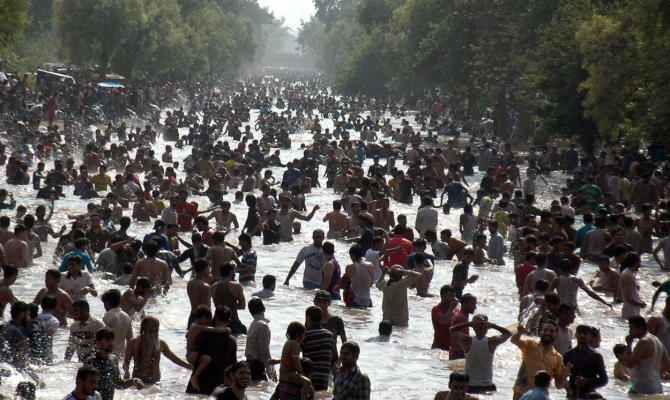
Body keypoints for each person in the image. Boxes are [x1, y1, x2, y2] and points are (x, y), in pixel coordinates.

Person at [449, 314, 512, 393]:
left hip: (470, 385)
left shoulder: (467, 341)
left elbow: (452, 330)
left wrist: (470, 324)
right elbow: (508, 333)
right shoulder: (492, 341)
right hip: (486, 384)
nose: (480, 327)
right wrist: (492, 325)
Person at [123, 316, 192, 385]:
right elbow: (126, 362)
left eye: (158, 326)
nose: (157, 328)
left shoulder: (161, 343)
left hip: (155, 380)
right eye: (154, 325)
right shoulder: (133, 343)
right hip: (139, 381)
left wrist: (190, 367)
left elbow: (174, 359)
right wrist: (126, 372)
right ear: (145, 326)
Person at [511, 321, 571, 400]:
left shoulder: (558, 358)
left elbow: (558, 385)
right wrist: (519, 333)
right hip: (521, 392)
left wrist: (563, 375)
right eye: (545, 330)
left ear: (556, 336)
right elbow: (514, 340)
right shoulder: (530, 344)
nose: (548, 333)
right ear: (540, 332)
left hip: (540, 396)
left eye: (551, 331)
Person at [186, 305, 238, 394]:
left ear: (215, 317)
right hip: (221, 387)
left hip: (200, 385)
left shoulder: (203, 335)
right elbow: (233, 366)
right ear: (228, 321)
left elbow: (193, 359)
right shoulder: (232, 341)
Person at [85, 327, 143, 400]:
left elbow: (118, 384)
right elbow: (84, 387)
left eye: (112, 340)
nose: (111, 343)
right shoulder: (91, 362)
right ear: (98, 342)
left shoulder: (113, 359)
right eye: (107, 340)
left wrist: (133, 381)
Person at [625, 315, 670, 394]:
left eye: (631, 328)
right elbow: (667, 364)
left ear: (640, 329)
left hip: (642, 387)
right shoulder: (656, 339)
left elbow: (629, 364)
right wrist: (654, 375)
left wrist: (629, 344)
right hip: (657, 386)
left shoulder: (644, 342)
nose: (630, 331)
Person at [562, 325, 608, 399]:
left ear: (591, 336)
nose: (582, 335)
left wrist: (586, 381)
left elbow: (604, 380)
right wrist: (565, 383)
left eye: (585, 333)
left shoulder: (595, 356)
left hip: (588, 396)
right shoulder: (568, 354)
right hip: (571, 396)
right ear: (576, 335)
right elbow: (562, 375)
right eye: (580, 333)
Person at [270, 321, 312, 400]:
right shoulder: (294, 344)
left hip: (283, 374)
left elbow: (288, 358)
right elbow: (296, 360)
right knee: (307, 382)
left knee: (276, 394)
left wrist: (276, 361)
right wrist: (302, 373)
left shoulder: (288, 342)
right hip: (289, 374)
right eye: (304, 334)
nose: (304, 336)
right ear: (298, 336)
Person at [301, 306, 335, 392]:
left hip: (309, 376)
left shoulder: (305, 335)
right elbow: (331, 354)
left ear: (308, 318)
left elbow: (295, 355)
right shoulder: (330, 335)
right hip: (324, 377)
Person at [210, 262, 247, 334]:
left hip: (217, 323)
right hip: (233, 321)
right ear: (231, 273)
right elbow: (242, 306)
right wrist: (231, 305)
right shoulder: (236, 286)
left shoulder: (212, 287)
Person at [245, 298, 274, 381]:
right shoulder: (263, 326)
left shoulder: (253, 324)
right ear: (264, 308)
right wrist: (270, 370)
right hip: (258, 364)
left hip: (249, 362)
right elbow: (264, 350)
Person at [313, 290, 347, 360]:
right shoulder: (311, 320)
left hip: (332, 360)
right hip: (315, 360)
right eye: (319, 302)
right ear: (314, 302)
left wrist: (339, 361)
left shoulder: (336, 320)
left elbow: (345, 344)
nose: (321, 305)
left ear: (329, 303)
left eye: (324, 302)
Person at [101, 289, 132, 358]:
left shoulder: (107, 317)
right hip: (122, 355)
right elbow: (130, 340)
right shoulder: (127, 317)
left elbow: (102, 339)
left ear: (107, 302)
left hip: (110, 354)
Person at [1, 301, 30, 369]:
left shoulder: (6, 328)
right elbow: (19, 359)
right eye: (28, 315)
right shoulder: (15, 332)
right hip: (10, 368)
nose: (29, 318)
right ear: (21, 315)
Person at [449, 294, 478, 360]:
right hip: (458, 355)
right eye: (472, 305)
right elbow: (456, 339)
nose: (475, 307)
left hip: (455, 353)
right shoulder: (461, 317)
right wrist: (463, 354)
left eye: (475, 304)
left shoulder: (460, 315)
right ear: (464, 304)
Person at [432, 285, 460, 350]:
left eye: (454, 296)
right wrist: (451, 308)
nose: (453, 299)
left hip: (453, 346)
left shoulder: (456, 310)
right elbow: (444, 321)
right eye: (450, 296)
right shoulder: (437, 309)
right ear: (442, 296)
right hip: (439, 347)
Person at [620, 252, 646, 319]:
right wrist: (640, 304)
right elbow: (628, 297)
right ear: (636, 262)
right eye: (639, 261)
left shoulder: (628, 274)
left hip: (632, 308)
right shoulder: (628, 276)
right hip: (630, 309)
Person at [187, 258, 211, 327]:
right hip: (202, 320)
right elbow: (205, 308)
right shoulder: (205, 286)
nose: (209, 271)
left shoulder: (190, 283)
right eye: (208, 269)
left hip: (192, 317)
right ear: (204, 269)